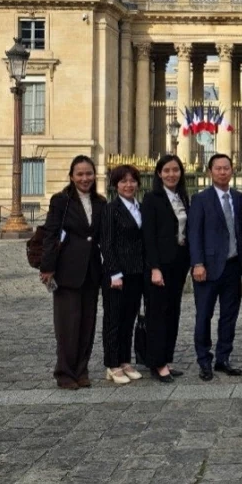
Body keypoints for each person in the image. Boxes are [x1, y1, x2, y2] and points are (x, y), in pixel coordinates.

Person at [39, 155, 106, 389]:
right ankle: (65, 373)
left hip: (92, 270)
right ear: (71, 176)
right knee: (68, 325)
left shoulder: (100, 202)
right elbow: (50, 233)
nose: (85, 178)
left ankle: (82, 370)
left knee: (87, 324)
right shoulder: (61, 201)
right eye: (80, 174)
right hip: (67, 269)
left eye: (89, 173)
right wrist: (47, 267)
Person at [187, 153, 242, 381]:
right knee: (204, 315)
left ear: (232, 171)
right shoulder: (201, 199)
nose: (223, 172)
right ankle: (204, 360)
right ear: (210, 172)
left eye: (226, 168)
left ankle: (223, 357)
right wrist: (198, 263)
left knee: (229, 316)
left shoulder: (240, 199)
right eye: (218, 168)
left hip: (233, 266)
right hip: (208, 268)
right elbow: (194, 234)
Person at [140, 154, 191, 382]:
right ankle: (156, 362)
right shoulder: (152, 199)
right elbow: (148, 237)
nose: (172, 174)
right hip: (159, 266)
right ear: (159, 173)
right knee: (157, 314)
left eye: (176, 170)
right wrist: (154, 267)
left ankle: (166, 359)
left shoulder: (182, 197)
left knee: (173, 312)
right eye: (167, 170)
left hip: (178, 263)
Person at [98, 165, 146, 385]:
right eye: (123, 181)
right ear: (116, 185)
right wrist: (114, 273)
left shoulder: (141, 208)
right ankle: (112, 364)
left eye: (132, 181)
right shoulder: (110, 209)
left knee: (129, 318)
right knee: (113, 319)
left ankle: (125, 360)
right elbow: (106, 244)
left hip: (136, 272)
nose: (129, 185)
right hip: (116, 275)